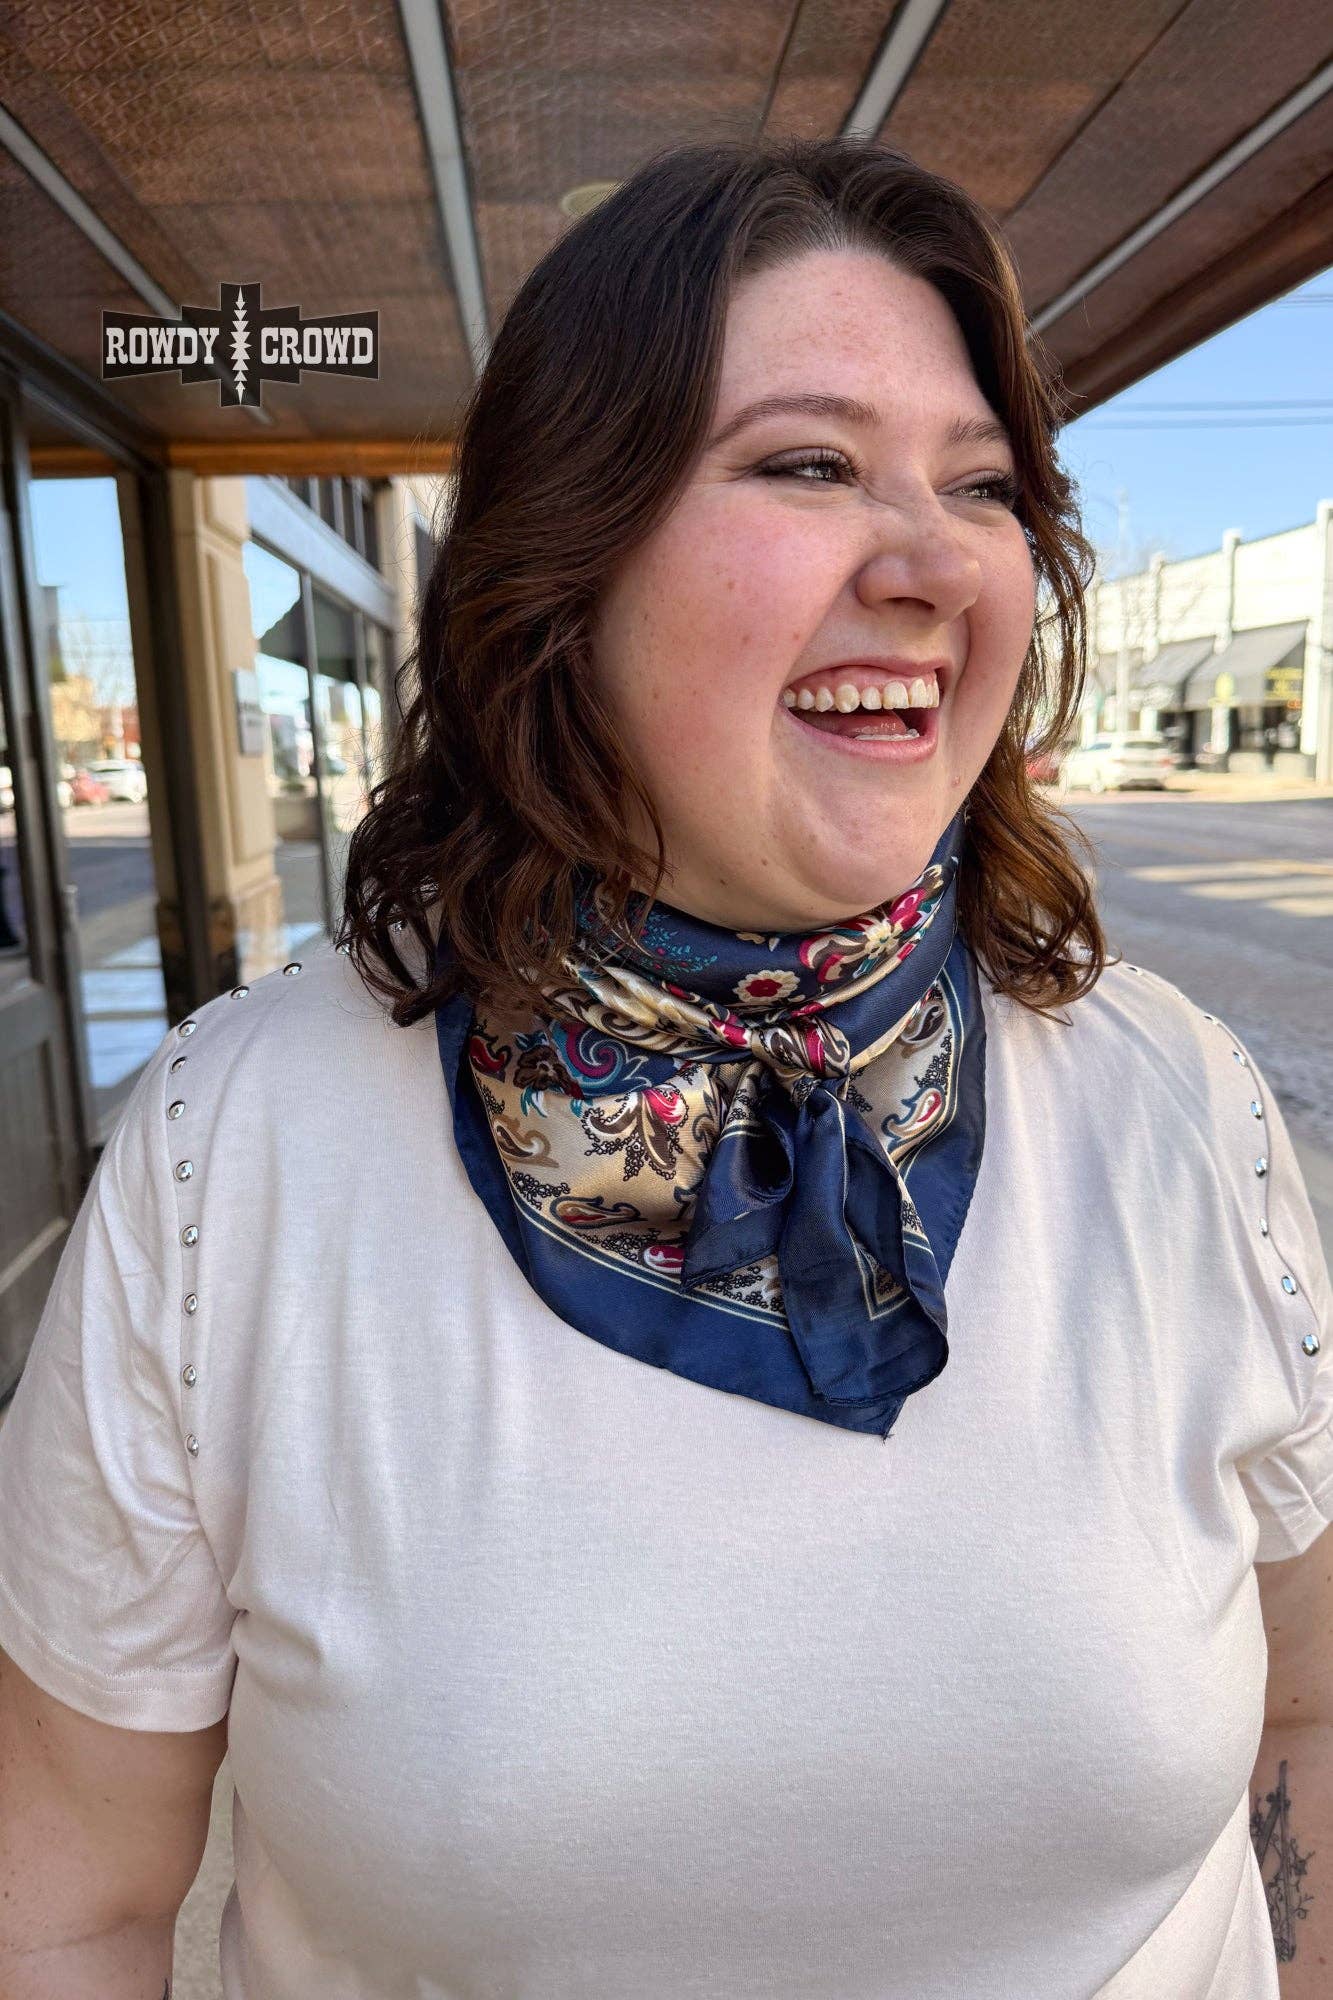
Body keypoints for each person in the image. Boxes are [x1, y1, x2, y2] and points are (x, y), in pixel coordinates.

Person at [1, 136, 1329, 2000]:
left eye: (980, 486)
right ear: (568, 559)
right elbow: (66, 1892)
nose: (934, 554)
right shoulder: (242, 1157)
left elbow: (1314, 1710)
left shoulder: (1177, 1106)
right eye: (807, 464)